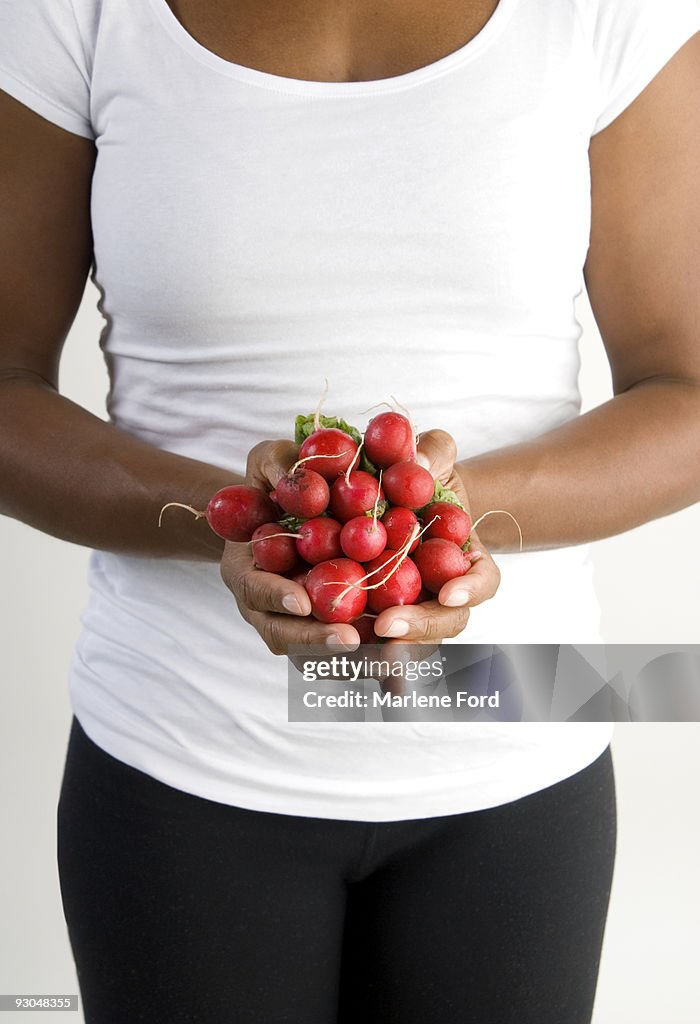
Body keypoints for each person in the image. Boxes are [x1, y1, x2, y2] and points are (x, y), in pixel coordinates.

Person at [1, 0, 698, 1021]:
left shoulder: (609, 12)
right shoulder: (75, 12)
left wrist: (446, 516)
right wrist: (241, 520)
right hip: (181, 752)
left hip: (519, 740)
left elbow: (685, 394)